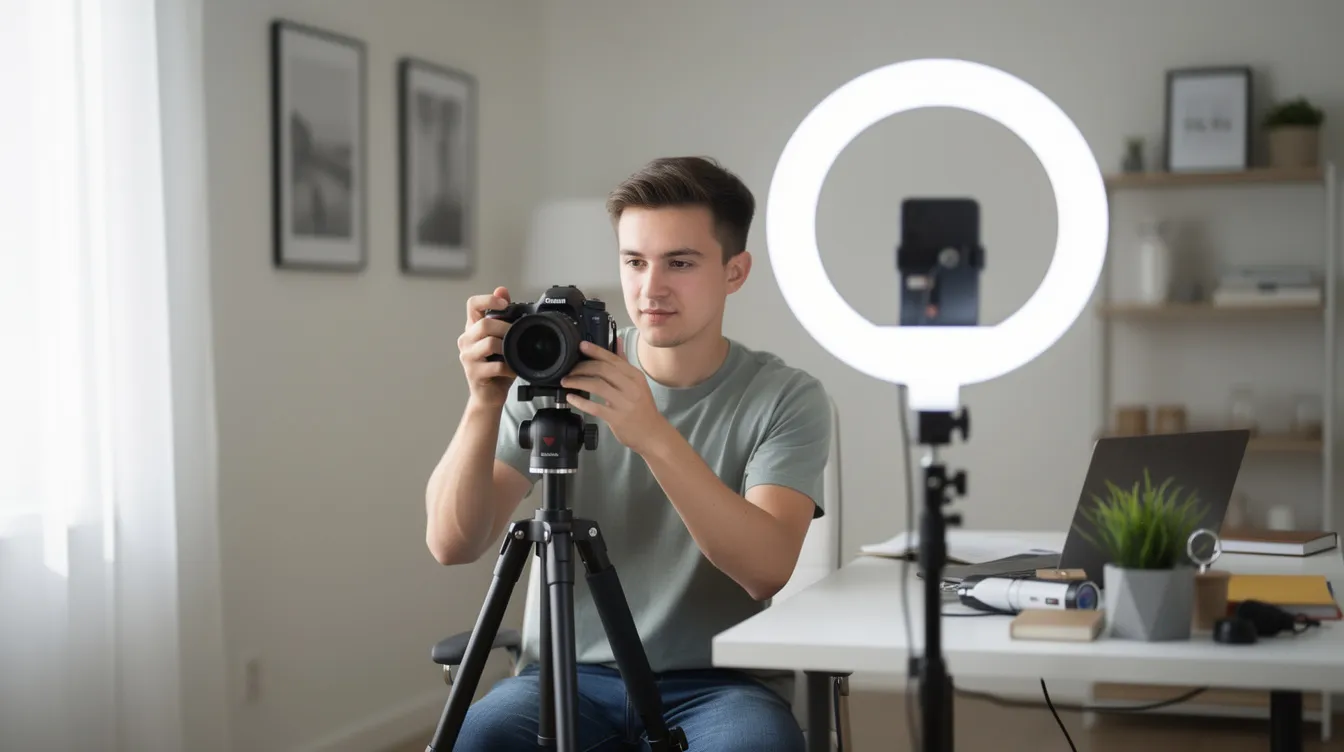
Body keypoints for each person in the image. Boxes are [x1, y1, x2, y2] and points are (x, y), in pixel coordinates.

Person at [425, 156, 832, 751]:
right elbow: (450, 543)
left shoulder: (785, 396)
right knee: (477, 739)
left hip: (720, 685)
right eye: (635, 261)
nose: (651, 287)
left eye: (681, 263)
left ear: (735, 271)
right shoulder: (557, 377)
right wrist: (483, 402)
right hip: (564, 676)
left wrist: (652, 433)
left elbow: (765, 568)